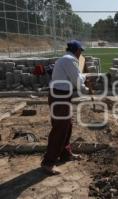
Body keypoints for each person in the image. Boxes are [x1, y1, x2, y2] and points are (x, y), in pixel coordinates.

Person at [41, 40, 90, 175]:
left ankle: (65, 154)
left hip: (61, 95)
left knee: (67, 125)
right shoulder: (70, 60)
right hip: (59, 96)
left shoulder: (68, 59)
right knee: (60, 128)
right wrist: (86, 88)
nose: (81, 54)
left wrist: (84, 77)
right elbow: (77, 81)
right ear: (76, 50)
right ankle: (48, 163)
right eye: (81, 51)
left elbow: (77, 76)